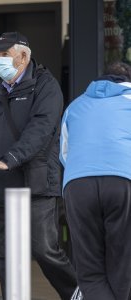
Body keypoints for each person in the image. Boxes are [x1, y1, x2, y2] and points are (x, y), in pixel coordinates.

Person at [0, 31, 77, 300]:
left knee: (44, 248)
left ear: (23, 56)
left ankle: (76, 292)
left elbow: (40, 130)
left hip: (37, 182)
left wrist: (9, 159)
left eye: (4, 55)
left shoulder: (46, 86)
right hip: (4, 183)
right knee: (6, 253)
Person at [60, 61, 131, 300]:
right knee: (123, 259)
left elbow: (64, 155)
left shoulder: (75, 105)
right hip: (122, 181)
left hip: (78, 185)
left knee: (89, 266)